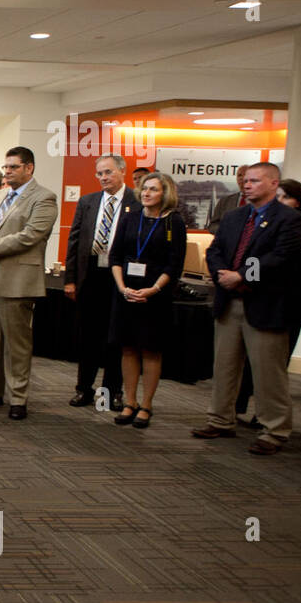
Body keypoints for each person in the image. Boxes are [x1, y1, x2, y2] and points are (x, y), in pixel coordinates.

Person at [192, 163, 301, 454]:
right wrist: (222, 275)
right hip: (229, 302)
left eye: (255, 180)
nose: (247, 185)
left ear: (273, 183)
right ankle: (220, 419)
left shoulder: (290, 219)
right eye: (246, 180)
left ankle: (275, 429)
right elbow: (215, 251)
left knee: (268, 372)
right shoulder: (234, 217)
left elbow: (280, 257)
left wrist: (241, 276)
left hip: (265, 305)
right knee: (225, 366)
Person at [0, 146, 59, 420]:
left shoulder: (44, 198)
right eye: (5, 167)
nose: (7, 172)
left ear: (29, 168)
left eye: (13, 167)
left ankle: (18, 397)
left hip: (16, 278)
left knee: (17, 342)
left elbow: (31, 235)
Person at [108, 173, 188, 429]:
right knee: (128, 348)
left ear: (165, 194)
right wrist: (122, 288)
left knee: (151, 350)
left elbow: (174, 264)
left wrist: (152, 290)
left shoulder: (174, 223)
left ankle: (146, 404)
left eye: (153, 189)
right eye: (144, 189)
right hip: (126, 293)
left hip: (155, 296)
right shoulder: (131, 217)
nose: (146, 193)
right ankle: (129, 402)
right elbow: (116, 256)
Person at [63, 154, 139, 411]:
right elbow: (74, 242)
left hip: (120, 278)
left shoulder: (136, 202)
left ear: (122, 172)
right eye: (99, 174)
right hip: (90, 275)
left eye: (108, 172)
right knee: (87, 337)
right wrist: (70, 279)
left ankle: (110, 392)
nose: (103, 178)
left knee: (114, 339)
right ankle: (83, 389)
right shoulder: (88, 201)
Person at [207, 164, 250, 236]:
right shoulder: (224, 201)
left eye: (245, 175)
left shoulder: (261, 202)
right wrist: (226, 230)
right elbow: (212, 226)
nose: (242, 178)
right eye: (239, 175)